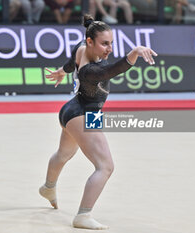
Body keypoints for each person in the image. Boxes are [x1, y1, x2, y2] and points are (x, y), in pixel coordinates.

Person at [39, 14, 157, 230]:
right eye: (104, 44)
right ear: (90, 42)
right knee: (105, 167)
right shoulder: (90, 72)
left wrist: (61, 72)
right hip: (84, 113)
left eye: (111, 43)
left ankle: (48, 187)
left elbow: (70, 60)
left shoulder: (82, 48)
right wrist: (135, 52)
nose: (109, 49)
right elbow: (111, 70)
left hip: (71, 110)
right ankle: (83, 216)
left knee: (64, 154)